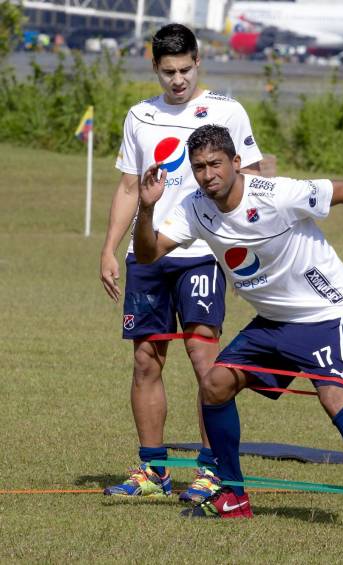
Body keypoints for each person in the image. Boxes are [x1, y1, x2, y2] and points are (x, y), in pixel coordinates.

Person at [133, 124, 343, 533]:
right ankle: (233, 495)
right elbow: (148, 254)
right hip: (274, 322)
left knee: (333, 395)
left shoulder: (276, 194)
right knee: (215, 384)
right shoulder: (195, 207)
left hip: (329, 312)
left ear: (235, 162)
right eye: (199, 167)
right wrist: (146, 209)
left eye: (215, 164)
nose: (208, 174)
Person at [99, 23, 273, 502]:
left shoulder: (227, 111)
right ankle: (153, 471)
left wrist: (247, 253)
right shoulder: (140, 116)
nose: (177, 80)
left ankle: (212, 470)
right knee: (145, 360)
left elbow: (252, 182)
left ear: (198, 62)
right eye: (168, 72)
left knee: (204, 360)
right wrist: (110, 248)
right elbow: (129, 187)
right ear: (155, 67)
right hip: (147, 253)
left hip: (202, 254)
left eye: (184, 70)